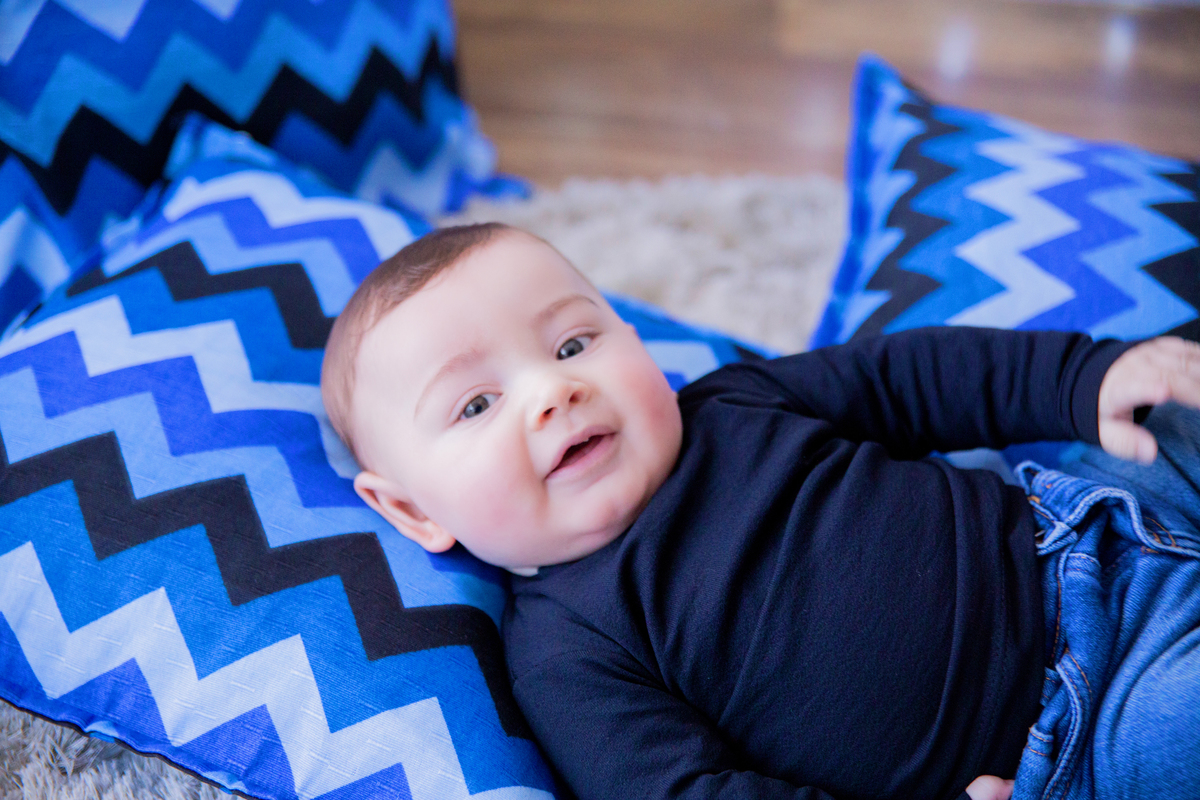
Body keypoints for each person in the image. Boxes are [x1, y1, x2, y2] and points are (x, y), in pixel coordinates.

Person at [320, 222, 1200, 800]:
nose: (554, 389)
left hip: (1089, 523)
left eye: (573, 341)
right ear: (412, 510)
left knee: (1178, 398)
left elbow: (906, 378)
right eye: (475, 406)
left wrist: (1081, 379)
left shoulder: (731, 401)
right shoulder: (566, 651)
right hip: (1082, 735)